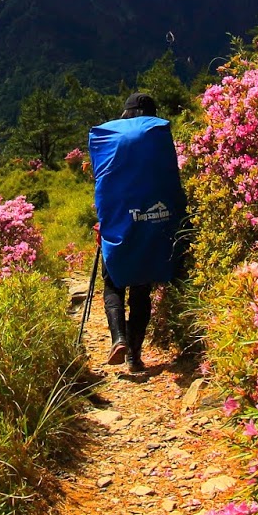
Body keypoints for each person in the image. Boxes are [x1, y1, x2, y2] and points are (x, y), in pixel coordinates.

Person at [88, 91, 185, 375]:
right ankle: (134, 356)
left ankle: (118, 339)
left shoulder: (111, 139)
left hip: (118, 224)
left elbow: (103, 186)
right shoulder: (157, 138)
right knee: (141, 290)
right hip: (151, 224)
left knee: (114, 285)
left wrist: (103, 221)